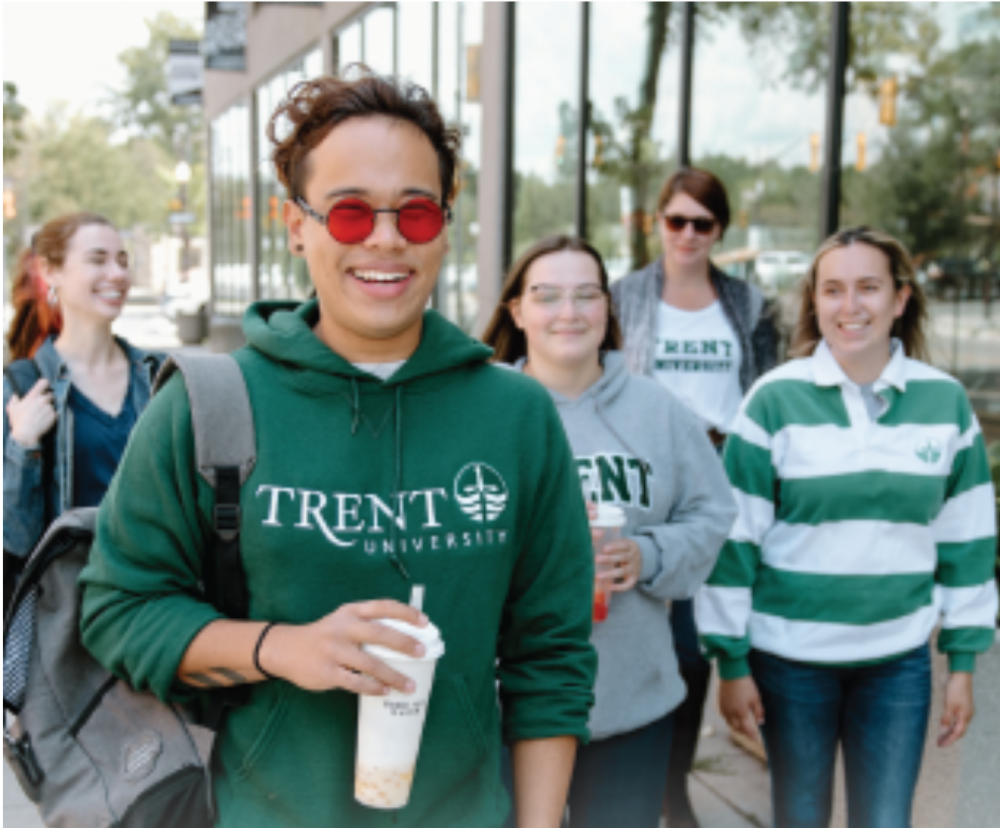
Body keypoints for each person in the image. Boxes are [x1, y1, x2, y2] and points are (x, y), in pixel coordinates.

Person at [79, 70, 597, 828]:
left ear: (446, 228)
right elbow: (118, 608)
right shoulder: (207, 403)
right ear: (297, 225)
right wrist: (281, 648)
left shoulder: (517, 415)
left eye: (416, 214)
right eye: (350, 214)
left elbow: (551, 656)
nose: (386, 238)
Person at [696, 226, 998, 828]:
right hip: (789, 659)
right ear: (815, 301)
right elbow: (733, 546)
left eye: (868, 287)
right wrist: (730, 664)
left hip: (897, 662)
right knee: (800, 819)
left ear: (901, 298)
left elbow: (967, 541)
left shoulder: (945, 404)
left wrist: (962, 664)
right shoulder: (771, 402)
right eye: (832, 290)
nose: (850, 306)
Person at [482, 235, 736, 828]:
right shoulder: (482, 412)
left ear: (608, 309)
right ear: (517, 311)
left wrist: (645, 555)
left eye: (586, 295)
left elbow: (713, 512)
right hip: (505, 699)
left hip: (629, 700)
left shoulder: (659, 410)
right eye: (547, 296)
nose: (567, 312)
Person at [610, 167, 778, 828]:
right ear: (657, 222)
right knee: (667, 635)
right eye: (676, 220)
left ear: (720, 231)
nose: (687, 234)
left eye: (702, 224)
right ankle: (662, 791)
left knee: (706, 637)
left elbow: (766, 393)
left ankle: (673, 782)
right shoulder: (626, 298)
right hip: (652, 484)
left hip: (726, 476)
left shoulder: (748, 305)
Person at [3, 213, 161, 602]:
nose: (117, 273)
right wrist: (22, 445)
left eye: (123, 260)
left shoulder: (160, 378)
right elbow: (15, 541)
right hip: (66, 612)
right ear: (50, 271)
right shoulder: (20, 388)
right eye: (98, 259)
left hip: (153, 601)